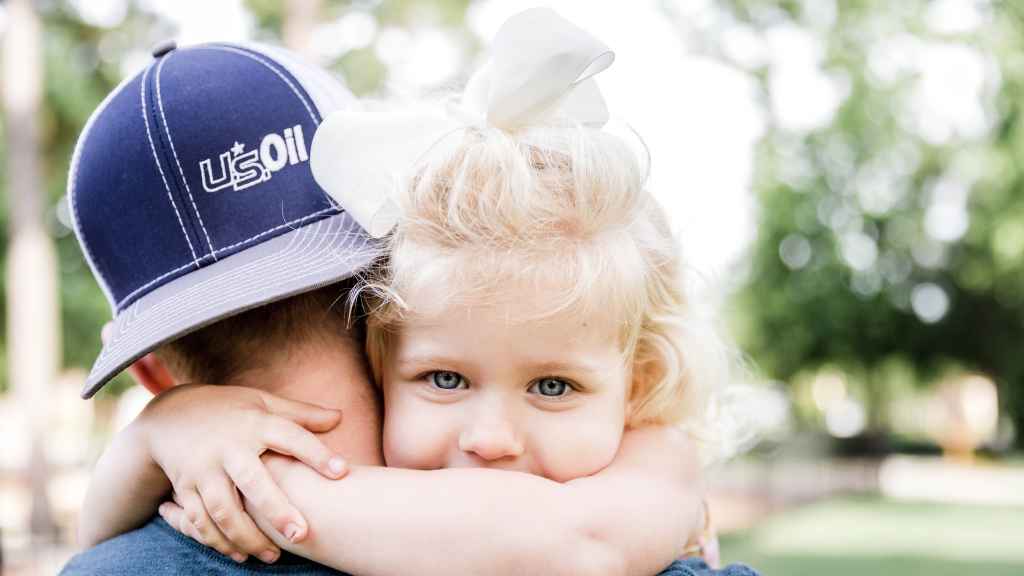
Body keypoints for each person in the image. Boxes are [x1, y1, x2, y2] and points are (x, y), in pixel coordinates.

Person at [71, 10, 758, 576]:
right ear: (380, 312)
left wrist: (153, 442)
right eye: (446, 377)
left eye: (551, 386)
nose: (489, 439)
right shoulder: (644, 514)